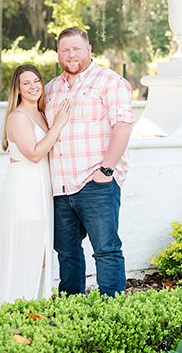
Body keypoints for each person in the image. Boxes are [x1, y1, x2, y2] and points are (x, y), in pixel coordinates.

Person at [44, 27, 134, 297]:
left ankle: (112, 309)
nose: (71, 55)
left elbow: (123, 125)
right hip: (60, 186)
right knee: (67, 253)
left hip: (96, 183)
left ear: (89, 50)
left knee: (106, 249)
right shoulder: (50, 88)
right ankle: (73, 308)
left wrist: (106, 170)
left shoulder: (109, 81)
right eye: (65, 50)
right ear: (58, 53)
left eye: (76, 49)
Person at [0, 64, 71, 314]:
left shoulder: (41, 113)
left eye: (36, 81)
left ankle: (35, 302)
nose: (33, 87)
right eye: (26, 83)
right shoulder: (18, 117)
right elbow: (34, 153)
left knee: (41, 250)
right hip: (24, 188)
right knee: (28, 247)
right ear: (17, 90)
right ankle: (17, 302)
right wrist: (59, 124)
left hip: (41, 187)